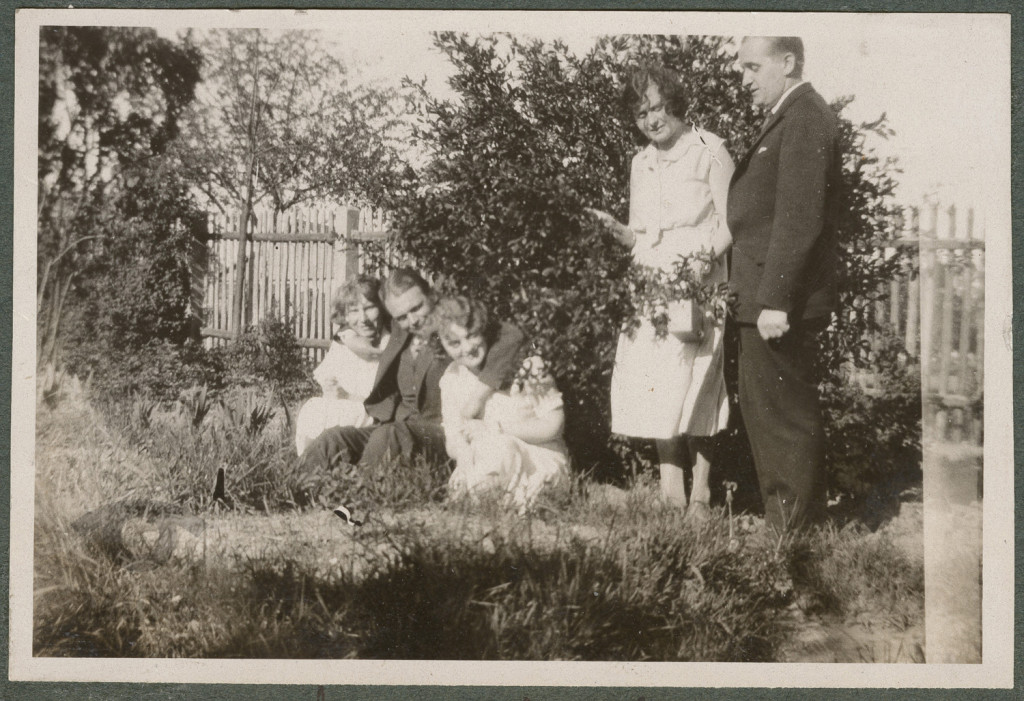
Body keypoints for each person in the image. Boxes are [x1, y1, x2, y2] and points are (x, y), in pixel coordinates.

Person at [591, 65, 734, 519]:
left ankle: (702, 494)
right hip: (650, 283)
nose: (651, 119)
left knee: (699, 380)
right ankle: (670, 490)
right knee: (656, 385)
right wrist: (620, 233)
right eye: (640, 113)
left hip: (699, 276)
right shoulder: (641, 162)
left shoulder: (710, 150)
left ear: (674, 103)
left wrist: (702, 261)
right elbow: (642, 235)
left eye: (656, 108)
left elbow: (733, 222)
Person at [728, 36, 840, 530]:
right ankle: (787, 521)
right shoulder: (790, 115)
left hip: (777, 303)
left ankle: (790, 533)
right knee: (768, 410)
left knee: (782, 415)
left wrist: (774, 300)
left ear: (788, 62)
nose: (744, 78)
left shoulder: (805, 117)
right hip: (762, 297)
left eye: (753, 66)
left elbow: (799, 219)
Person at [294, 268, 524, 477]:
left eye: (417, 308)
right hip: (394, 425)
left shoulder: (452, 328)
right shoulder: (400, 330)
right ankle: (294, 489)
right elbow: (357, 317)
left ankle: (356, 497)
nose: (412, 320)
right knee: (335, 438)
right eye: (402, 316)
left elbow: (511, 335)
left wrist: (479, 396)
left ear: (432, 297)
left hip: (441, 433)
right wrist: (348, 335)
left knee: (390, 435)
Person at [434, 296, 569, 511]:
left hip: (536, 457)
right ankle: (482, 499)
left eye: (472, 336)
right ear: (442, 343)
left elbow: (555, 425)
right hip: (483, 459)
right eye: (455, 343)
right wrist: (465, 456)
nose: (467, 348)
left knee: (500, 448)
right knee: (486, 459)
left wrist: (498, 429)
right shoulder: (452, 378)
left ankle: (494, 500)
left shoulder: (527, 365)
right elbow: (453, 438)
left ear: (483, 330)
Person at [293, 276, 390, 455]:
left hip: (373, 420)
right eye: (353, 311)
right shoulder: (345, 341)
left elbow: (388, 405)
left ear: (383, 308)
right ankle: (307, 467)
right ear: (345, 315)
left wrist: (347, 396)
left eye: (369, 308)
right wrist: (331, 389)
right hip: (345, 413)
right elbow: (329, 385)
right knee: (312, 409)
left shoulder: (390, 344)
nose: (363, 319)